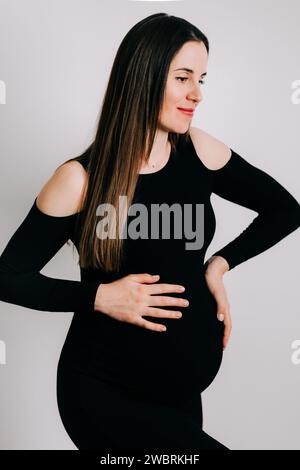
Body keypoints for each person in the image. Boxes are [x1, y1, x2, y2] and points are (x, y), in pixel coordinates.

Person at [0, 12, 299, 452]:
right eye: (183, 78)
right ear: (145, 76)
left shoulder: (200, 150)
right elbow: (8, 277)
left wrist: (218, 265)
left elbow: (284, 210)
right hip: (103, 394)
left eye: (201, 79)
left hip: (180, 396)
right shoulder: (79, 180)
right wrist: (98, 297)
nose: (197, 94)